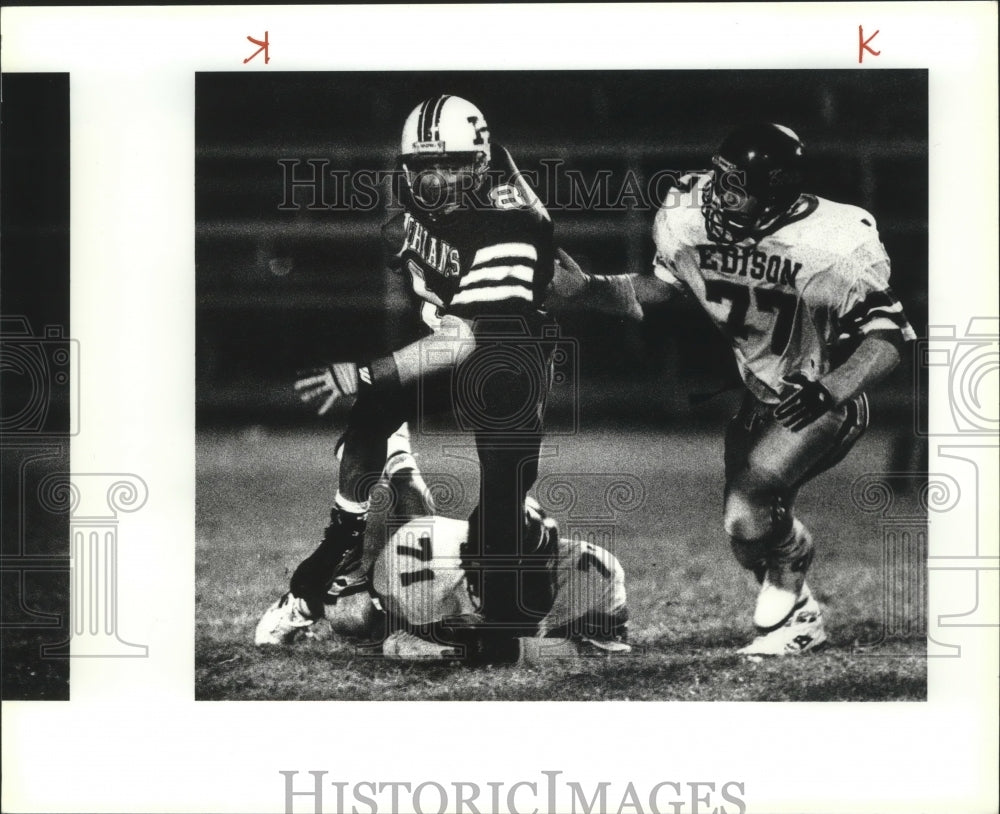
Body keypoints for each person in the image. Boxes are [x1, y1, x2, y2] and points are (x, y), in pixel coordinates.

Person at [550, 123, 916, 655]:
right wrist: (588, 291)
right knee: (747, 537)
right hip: (758, 392)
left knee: (747, 507)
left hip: (818, 396)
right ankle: (802, 613)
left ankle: (792, 595)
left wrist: (829, 390)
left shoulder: (832, 242)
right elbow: (666, 285)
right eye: (719, 178)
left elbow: (887, 339)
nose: (719, 194)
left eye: (737, 184)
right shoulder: (687, 213)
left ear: (774, 188)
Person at [258, 95, 556, 650]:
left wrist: (366, 372)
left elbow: (461, 338)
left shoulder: (508, 223)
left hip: (504, 371)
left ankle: (527, 536)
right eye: (419, 166)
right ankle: (342, 540)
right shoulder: (412, 211)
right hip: (451, 346)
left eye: (445, 165)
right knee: (376, 409)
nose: (430, 180)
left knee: (500, 599)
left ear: (478, 163)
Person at [255, 425, 630, 662]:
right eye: (489, 571)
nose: (500, 584)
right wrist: (411, 640)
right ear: (470, 555)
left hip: (463, 586)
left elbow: (596, 653)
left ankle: (399, 458)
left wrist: (485, 651)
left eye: (516, 572)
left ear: (548, 558)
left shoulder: (592, 573)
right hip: (432, 572)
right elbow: (397, 634)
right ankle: (302, 604)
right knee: (353, 612)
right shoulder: (442, 570)